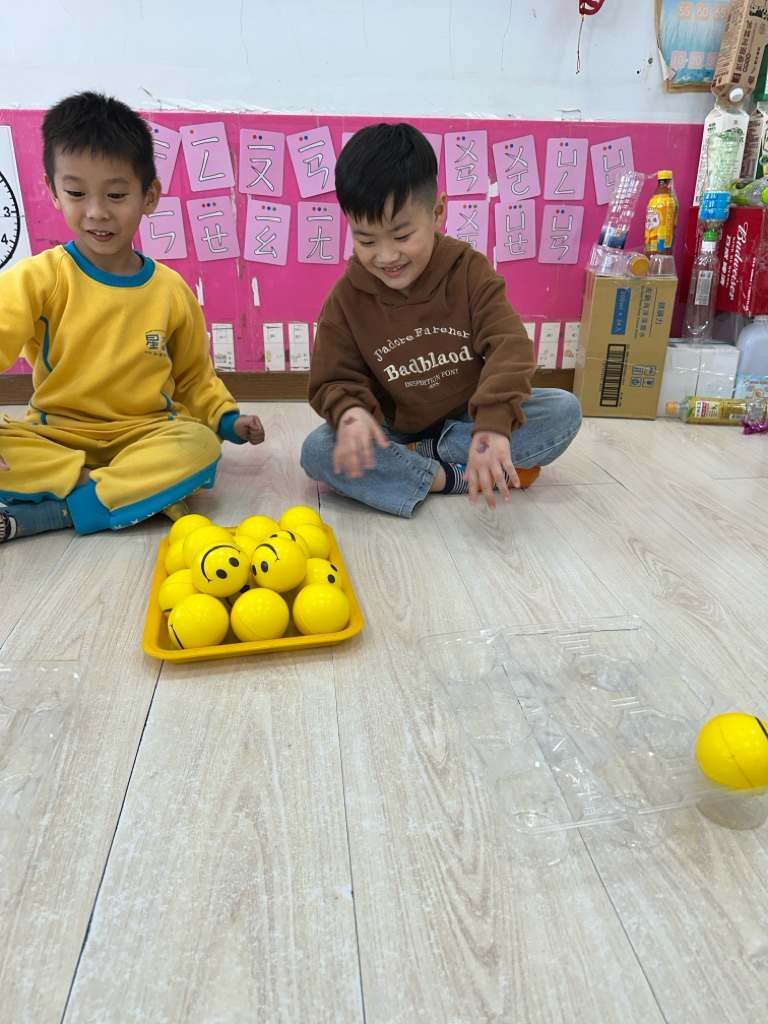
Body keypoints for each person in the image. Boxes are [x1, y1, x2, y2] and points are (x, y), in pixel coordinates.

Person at [0, 91, 264, 543]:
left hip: (145, 436)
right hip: (57, 440)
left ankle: (61, 509)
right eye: (76, 193)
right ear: (53, 191)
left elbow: (194, 377)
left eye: (117, 194)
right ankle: (116, 492)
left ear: (149, 196)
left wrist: (226, 420)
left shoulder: (171, 290)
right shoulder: (39, 277)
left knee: (199, 446)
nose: (97, 211)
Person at [300, 122, 582, 517]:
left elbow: (510, 347)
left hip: (470, 420)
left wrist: (492, 426)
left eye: (402, 236)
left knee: (564, 411)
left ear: (437, 213)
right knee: (317, 451)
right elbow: (333, 379)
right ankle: (449, 477)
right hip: (394, 430)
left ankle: (426, 459)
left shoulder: (468, 271)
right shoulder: (346, 298)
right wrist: (352, 415)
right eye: (366, 241)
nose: (386, 256)